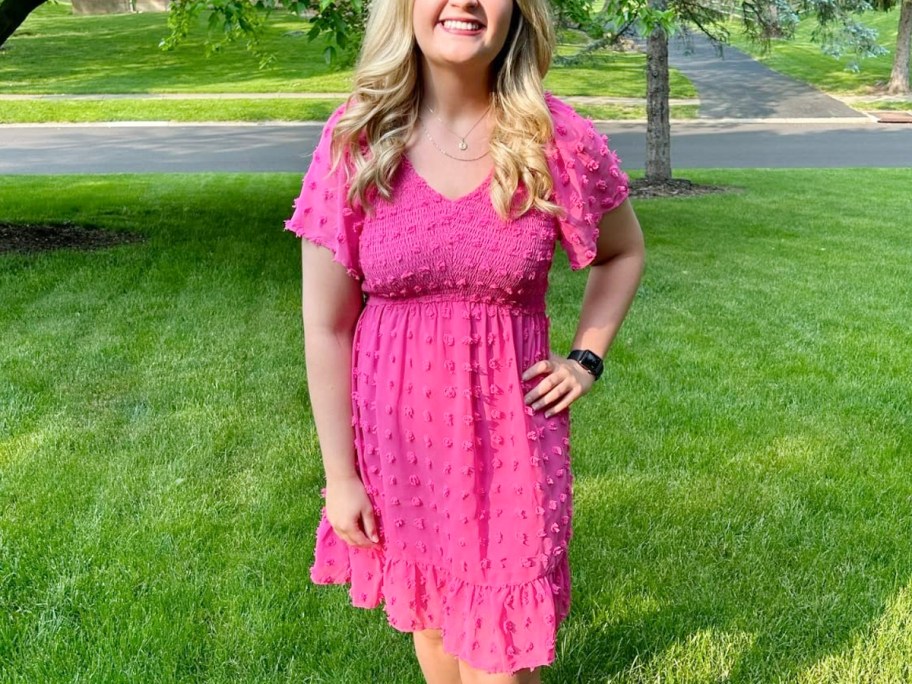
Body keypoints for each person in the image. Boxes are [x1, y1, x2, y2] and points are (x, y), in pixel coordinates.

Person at [283, 0, 645, 681]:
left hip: (511, 439)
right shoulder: (357, 139)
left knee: (501, 658)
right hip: (399, 442)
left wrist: (586, 357)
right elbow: (327, 325)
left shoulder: (554, 138)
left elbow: (622, 251)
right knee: (435, 625)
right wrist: (340, 476)